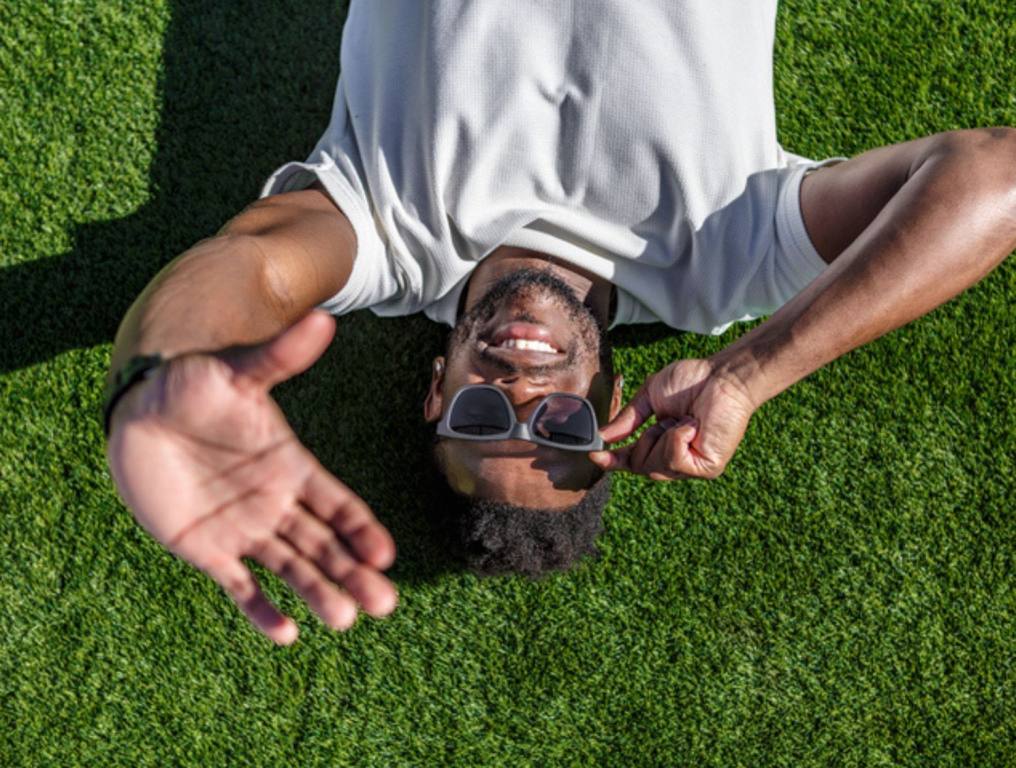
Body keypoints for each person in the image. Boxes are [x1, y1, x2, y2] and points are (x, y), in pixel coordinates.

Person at [104, 0, 1016, 645]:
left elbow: (253, 265)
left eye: (481, 419)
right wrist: (746, 376)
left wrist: (156, 375)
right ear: (614, 400)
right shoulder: (723, 260)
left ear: (436, 392)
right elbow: (989, 178)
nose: (521, 390)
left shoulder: (387, 236)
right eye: (563, 426)